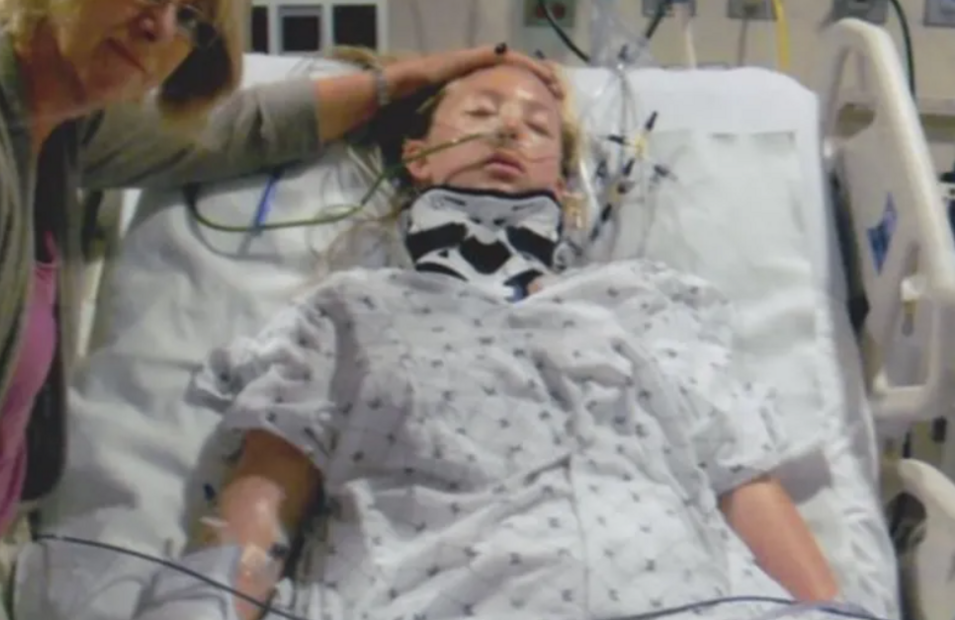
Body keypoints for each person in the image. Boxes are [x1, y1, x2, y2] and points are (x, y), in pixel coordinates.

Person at [0, 0, 561, 616]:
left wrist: (400, 79)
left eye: (191, 14)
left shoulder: (54, 116)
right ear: (417, 157)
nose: (159, 23)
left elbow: (231, 129)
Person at [184, 60, 846, 620]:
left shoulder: (647, 304)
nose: (509, 129)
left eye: (537, 128)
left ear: (561, 187)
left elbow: (741, 481)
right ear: (416, 156)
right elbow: (261, 506)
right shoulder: (350, 311)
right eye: (479, 114)